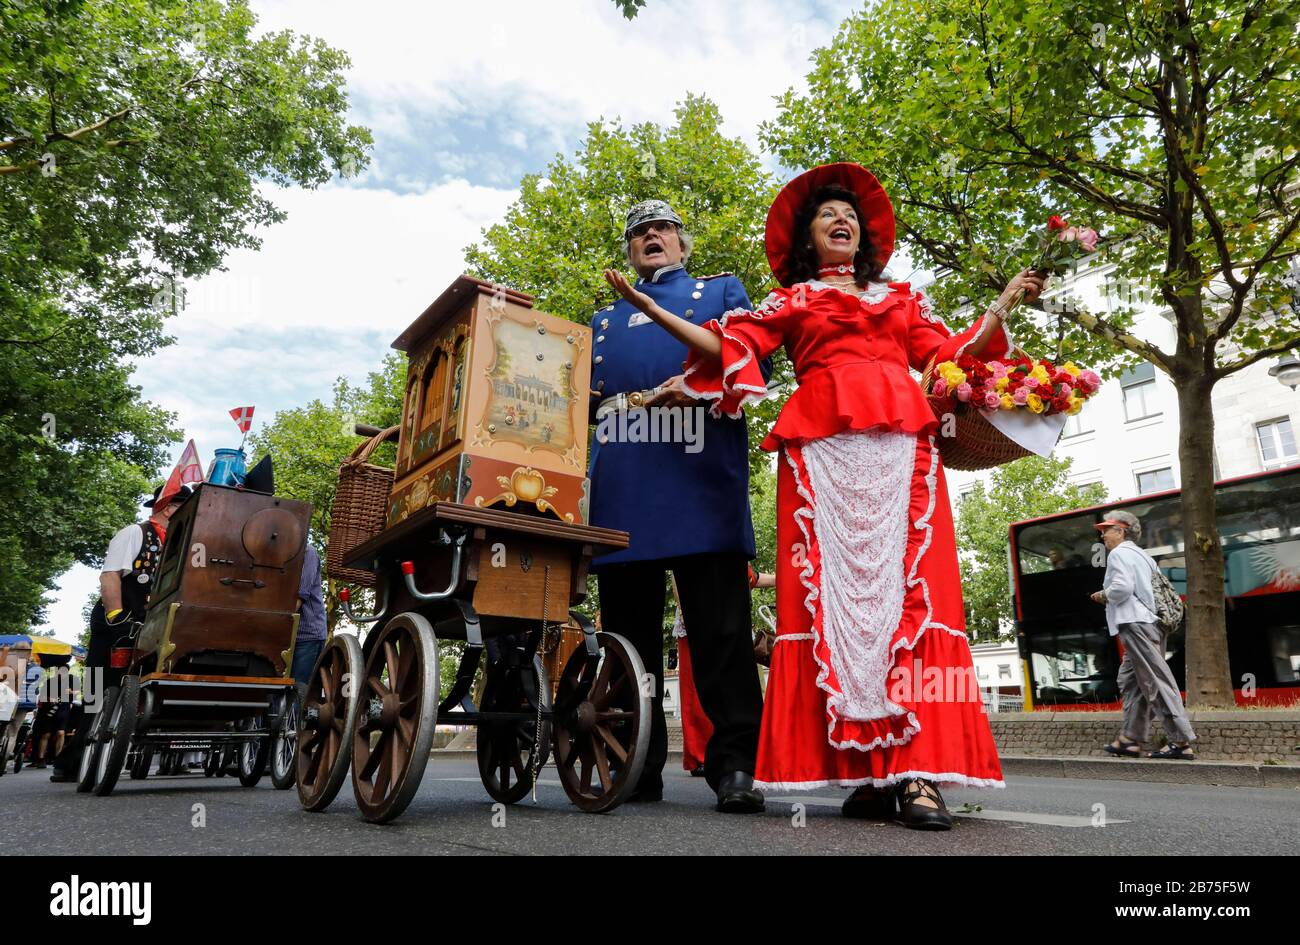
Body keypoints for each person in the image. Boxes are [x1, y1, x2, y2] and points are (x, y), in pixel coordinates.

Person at [604, 163, 1045, 830]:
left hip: (904, 451)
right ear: (808, 240)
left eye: (850, 214)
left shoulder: (903, 301)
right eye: (825, 215)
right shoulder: (790, 302)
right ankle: (862, 772)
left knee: (910, 606)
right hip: (820, 458)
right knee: (836, 614)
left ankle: (918, 772)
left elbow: (948, 360)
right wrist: (653, 310)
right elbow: (729, 345)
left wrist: (1001, 306)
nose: (842, 220)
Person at [588, 198, 770, 813]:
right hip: (624, 479)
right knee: (628, 637)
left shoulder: (721, 293)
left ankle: (736, 765)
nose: (650, 237)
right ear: (629, 251)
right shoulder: (600, 322)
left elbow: (751, 361)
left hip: (700, 474)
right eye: (639, 233)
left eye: (662, 228)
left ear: (683, 243)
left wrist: (687, 388)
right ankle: (634, 764)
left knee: (722, 632)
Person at [50, 483, 192, 782]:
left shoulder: (179, 545)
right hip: (116, 620)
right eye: (185, 507)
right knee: (99, 688)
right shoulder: (134, 533)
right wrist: (117, 616)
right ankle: (72, 759)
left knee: (130, 689)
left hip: (149, 625)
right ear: (168, 507)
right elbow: (110, 575)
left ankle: (109, 751)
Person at [1092, 511, 1197, 760]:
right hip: (1151, 623)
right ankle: (1130, 739)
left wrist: (1103, 595)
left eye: (1106, 529)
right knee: (1131, 681)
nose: (1102, 534)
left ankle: (1180, 742)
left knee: (1155, 681)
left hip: (1135, 622)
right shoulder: (1144, 556)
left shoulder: (1119, 554)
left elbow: (1122, 588)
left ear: (1121, 530)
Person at [291, 545, 328, 686]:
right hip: (286, 634)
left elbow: (301, 595)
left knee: (297, 687)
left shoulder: (308, 552)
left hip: (307, 635)